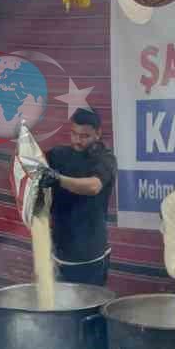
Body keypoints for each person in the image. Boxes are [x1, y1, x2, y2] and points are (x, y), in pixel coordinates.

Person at [39, 107, 117, 286]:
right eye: (74, 134)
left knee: (90, 309)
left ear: (98, 134)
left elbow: (93, 186)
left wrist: (58, 179)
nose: (77, 140)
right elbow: (33, 164)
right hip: (58, 251)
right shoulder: (58, 155)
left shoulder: (106, 159)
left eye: (84, 136)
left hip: (91, 255)